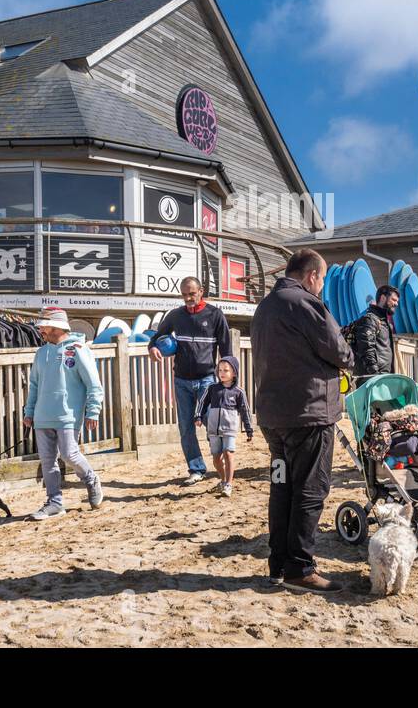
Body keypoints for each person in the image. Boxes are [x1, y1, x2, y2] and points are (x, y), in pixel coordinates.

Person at [252, 248, 354, 593]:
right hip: (308, 414)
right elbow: (340, 351)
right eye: (322, 279)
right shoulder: (307, 304)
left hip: (273, 417)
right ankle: (300, 567)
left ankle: (278, 563)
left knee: (282, 489)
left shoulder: (265, 306)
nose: (322, 286)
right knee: (309, 489)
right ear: (312, 275)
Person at [22, 307, 103, 520]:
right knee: (47, 461)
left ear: (57, 326)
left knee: (69, 453)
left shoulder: (78, 349)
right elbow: (34, 385)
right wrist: (29, 411)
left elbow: (93, 384)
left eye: (43, 326)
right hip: (42, 416)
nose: (40, 330)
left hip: (68, 415)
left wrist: (93, 411)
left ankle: (91, 479)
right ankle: (54, 502)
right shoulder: (41, 353)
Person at [151, 276, 232, 485]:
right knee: (186, 427)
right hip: (181, 380)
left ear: (201, 291)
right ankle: (196, 469)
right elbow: (156, 336)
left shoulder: (215, 315)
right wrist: (152, 347)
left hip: (207, 380)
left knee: (210, 423)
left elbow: (226, 351)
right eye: (184, 294)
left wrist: (229, 378)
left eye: (192, 293)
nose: (188, 298)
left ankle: (221, 463)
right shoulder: (176, 316)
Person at [194, 355, 253, 497]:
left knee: (228, 453)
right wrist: (198, 416)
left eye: (226, 370)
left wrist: (248, 428)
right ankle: (223, 480)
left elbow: (245, 410)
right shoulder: (212, 388)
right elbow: (202, 403)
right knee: (216, 458)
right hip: (213, 430)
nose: (222, 373)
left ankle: (229, 484)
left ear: (234, 373)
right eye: (219, 370)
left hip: (230, 430)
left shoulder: (239, 392)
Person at [349, 284, 398, 381]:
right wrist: (375, 375)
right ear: (383, 298)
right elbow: (366, 349)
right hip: (372, 379)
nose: (396, 304)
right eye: (393, 300)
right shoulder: (370, 320)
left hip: (383, 377)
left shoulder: (384, 322)